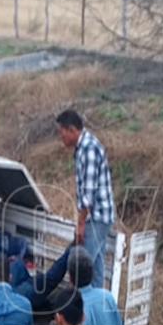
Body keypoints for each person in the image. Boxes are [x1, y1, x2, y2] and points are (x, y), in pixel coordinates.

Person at [56, 109, 115, 289]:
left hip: (96, 217)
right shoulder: (84, 146)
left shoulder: (88, 149)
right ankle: (96, 310)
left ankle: (78, 312)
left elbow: (88, 192)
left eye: (62, 133)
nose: (61, 138)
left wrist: (80, 224)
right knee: (95, 268)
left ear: (72, 130)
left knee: (80, 268)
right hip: (99, 216)